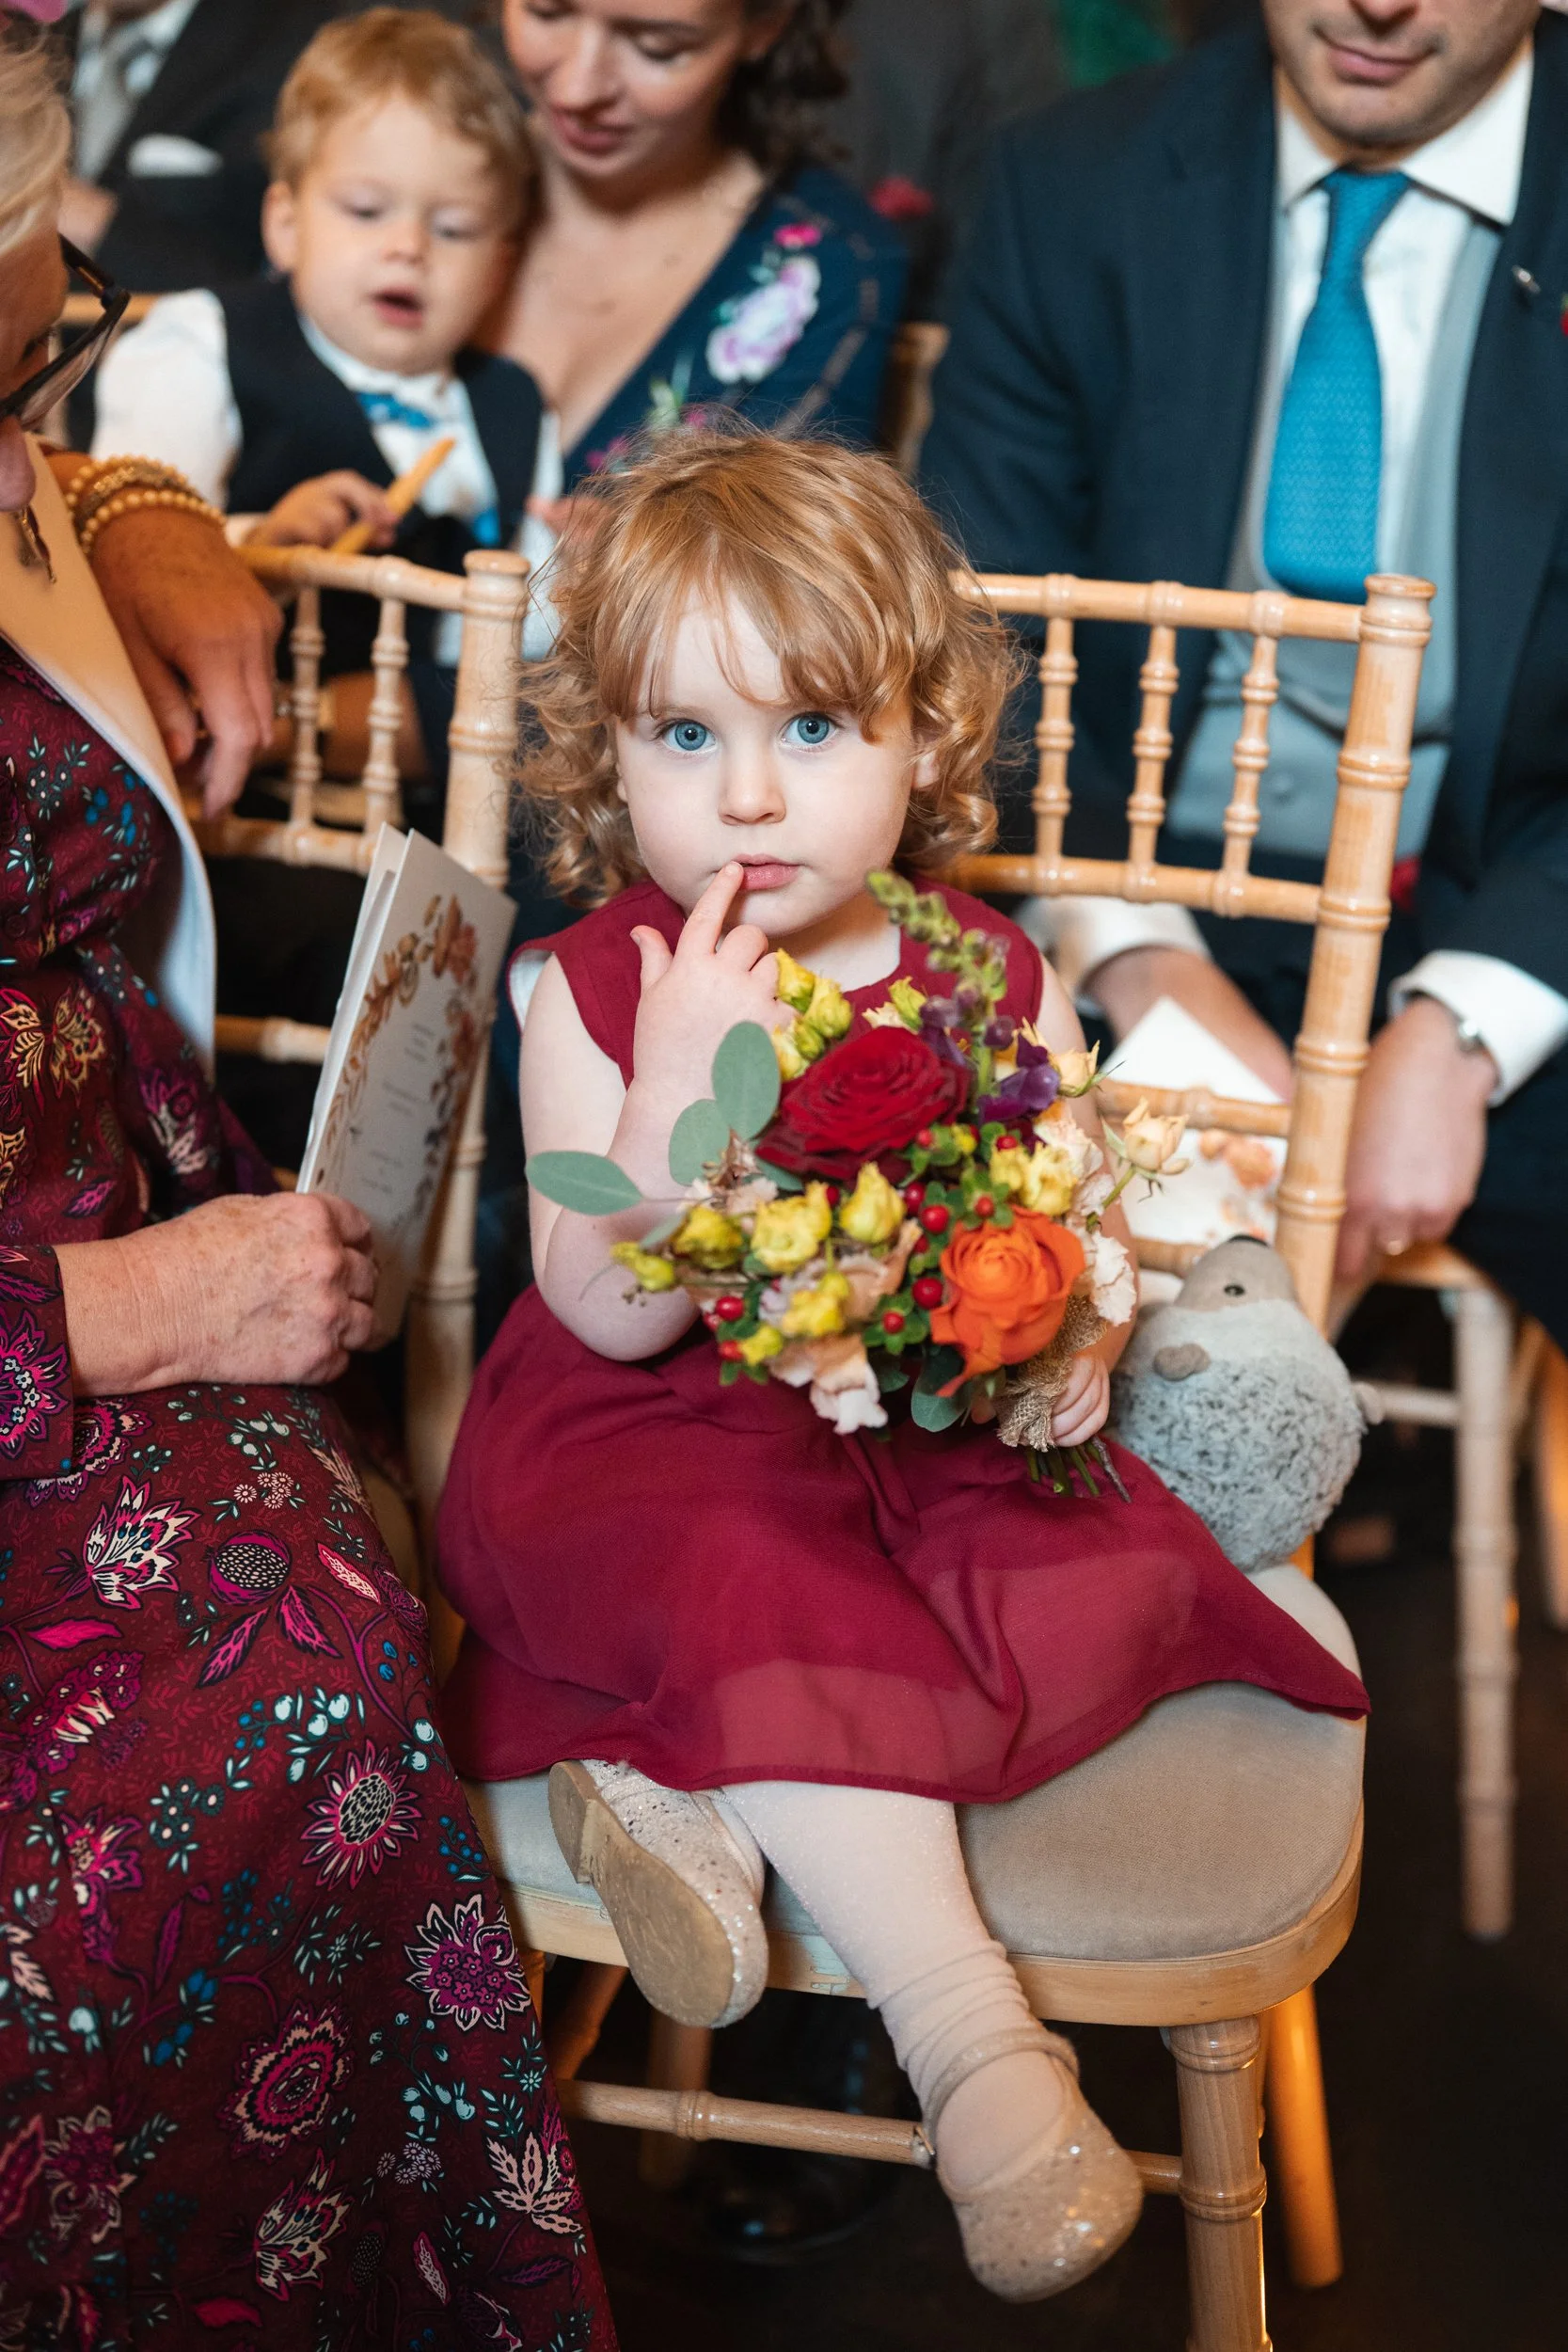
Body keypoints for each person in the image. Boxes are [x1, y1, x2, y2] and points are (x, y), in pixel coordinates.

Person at [434, 431, 1369, 2303]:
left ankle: (670, 1779)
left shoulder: (985, 969)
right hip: (637, 1438)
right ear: (605, 752)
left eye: (812, 728)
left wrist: (1068, 1331)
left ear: (921, 737)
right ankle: (979, 2064)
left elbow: (1060, 1200)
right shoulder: (593, 984)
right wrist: (693, 1084)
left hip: (902, 1425)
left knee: (1045, 1566)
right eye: (681, 736)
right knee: (747, 1571)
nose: (748, 796)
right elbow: (609, 1308)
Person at [0, 36, 613, 2341]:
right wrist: (124, 1315)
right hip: (54, 1333)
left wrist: (133, 497)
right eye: (45, 316)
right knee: (223, 1759)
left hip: (132, 1213)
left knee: (346, 1643)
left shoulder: (35, 439)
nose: (80, 299)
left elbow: (51, 454)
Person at [922, 0, 1568, 1344]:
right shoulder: (1070, 180)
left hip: (1505, 889)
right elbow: (979, 638)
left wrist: (1464, 1025)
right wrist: (1141, 963)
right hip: (1119, 882)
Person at [91, 7, 543, 787]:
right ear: (286, 222)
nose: (407, 247)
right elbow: (129, 547)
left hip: (422, 800)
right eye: (365, 211)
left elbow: (529, 636)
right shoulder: (202, 344)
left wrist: (591, 578)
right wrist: (259, 542)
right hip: (230, 789)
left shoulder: (510, 405)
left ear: (502, 265)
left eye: (457, 228)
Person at [488, 0, 908, 500]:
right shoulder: (393, 158)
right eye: (546, 14)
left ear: (765, 25)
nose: (578, 90)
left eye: (658, 49)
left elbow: (770, 562)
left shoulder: (831, 268)